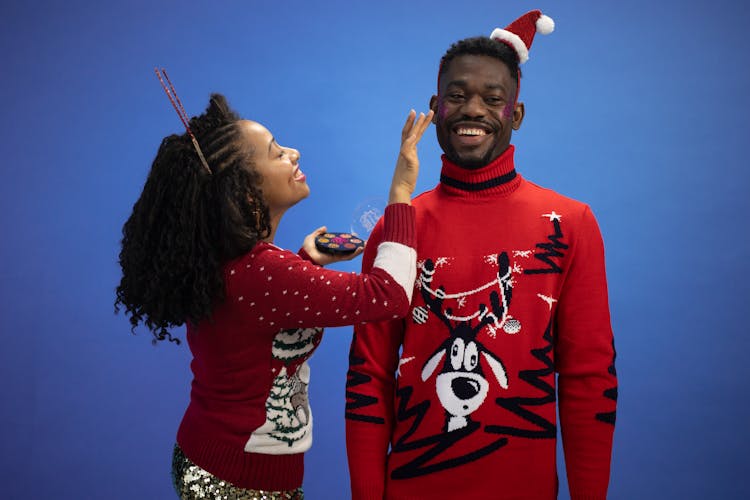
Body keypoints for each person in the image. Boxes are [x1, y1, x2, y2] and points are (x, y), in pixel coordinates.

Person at [345, 10, 617, 500]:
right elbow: (370, 374)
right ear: (435, 107)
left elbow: (589, 377)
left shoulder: (571, 223)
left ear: (515, 115)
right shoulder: (397, 226)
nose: (473, 110)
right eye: (457, 96)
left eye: (493, 99)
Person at [115, 91, 432, 498]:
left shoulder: (250, 267)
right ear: (246, 193)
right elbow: (387, 296)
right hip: (234, 484)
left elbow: (260, 322)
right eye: (277, 152)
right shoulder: (264, 272)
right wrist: (402, 193)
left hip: (219, 463)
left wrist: (307, 262)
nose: (294, 153)